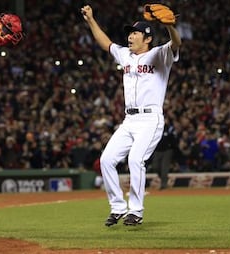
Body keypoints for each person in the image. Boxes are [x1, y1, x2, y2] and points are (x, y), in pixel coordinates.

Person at [81, 5, 181, 226]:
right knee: (106, 160)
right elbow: (105, 43)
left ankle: (135, 211)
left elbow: (176, 44)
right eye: (129, 32)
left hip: (150, 119)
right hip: (129, 120)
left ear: (147, 38)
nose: (130, 36)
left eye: (135, 32)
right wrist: (90, 20)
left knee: (136, 159)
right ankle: (118, 207)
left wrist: (170, 26)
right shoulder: (125, 55)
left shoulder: (159, 54)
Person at [150, 120, 177, 190]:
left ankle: (164, 185)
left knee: (164, 168)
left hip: (167, 151)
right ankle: (164, 178)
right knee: (155, 167)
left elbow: (174, 139)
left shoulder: (169, 128)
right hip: (157, 150)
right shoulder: (155, 128)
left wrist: (170, 146)